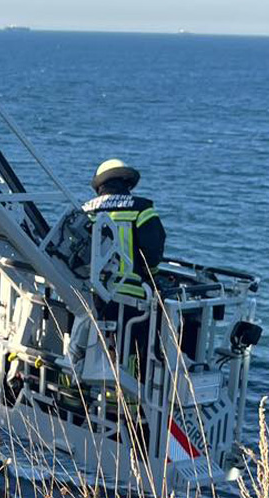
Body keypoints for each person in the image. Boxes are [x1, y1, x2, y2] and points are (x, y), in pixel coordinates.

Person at [82, 158, 166, 379]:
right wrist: (152, 277)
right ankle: (135, 394)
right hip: (132, 297)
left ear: (100, 185)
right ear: (126, 183)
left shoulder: (84, 211)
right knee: (138, 352)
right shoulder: (142, 209)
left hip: (93, 295)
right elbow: (153, 251)